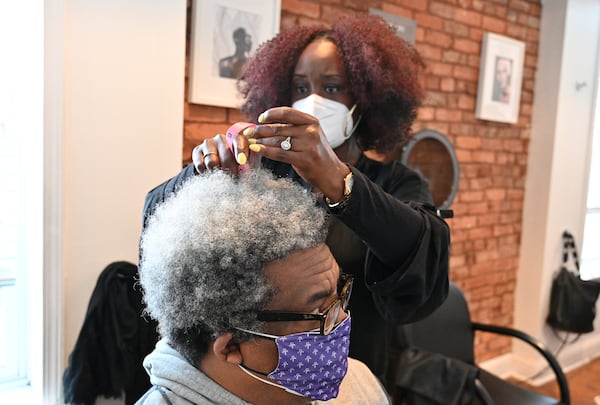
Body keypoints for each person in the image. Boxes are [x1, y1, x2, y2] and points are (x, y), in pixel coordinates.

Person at [142, 14, 450, 387]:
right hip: (255, 376)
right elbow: (155, 225)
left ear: (367, 98)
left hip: (351, 375)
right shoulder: (260, 166)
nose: (313, 100)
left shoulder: (396, 183)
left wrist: (339, 181)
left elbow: (424, 260)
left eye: (333, 87)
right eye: (300, 86)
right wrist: (201, 175)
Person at [136, 168, 390, 404]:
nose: (343, 318)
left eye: (340, 297)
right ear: (231, 347)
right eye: (319, 313)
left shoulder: (357, 385)